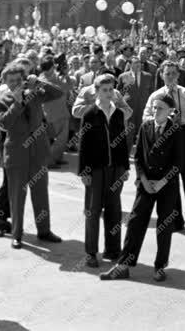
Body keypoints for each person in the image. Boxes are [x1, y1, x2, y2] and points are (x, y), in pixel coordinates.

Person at [100, 93, 182, 281]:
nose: (156, 111)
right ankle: (123, 265)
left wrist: (162, 182)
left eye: (160, 108)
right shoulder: (145, 127)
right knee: (136, 221)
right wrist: (143, 179)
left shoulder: (177, 131)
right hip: (146, 183)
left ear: (170, 111)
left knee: (164, 225)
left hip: (166, 185)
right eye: (154, 107)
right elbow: (138, 157)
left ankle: (160, 266)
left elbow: (179, 162)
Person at [0, 63, 63, 249]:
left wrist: (38, 82)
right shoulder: (1, 99)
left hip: (38, 152)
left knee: (41, 194)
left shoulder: (36, 93)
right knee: (16, 196)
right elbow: (5, 123)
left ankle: (44, 230)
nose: (15, 83)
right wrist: (17, 102)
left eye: (18, 79)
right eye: (11, 80)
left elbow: (57, 93)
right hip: (16, 154)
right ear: (5, 82)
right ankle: (17, 234)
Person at [144, 61, 185, 236]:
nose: (171, 76)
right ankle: (177, 221)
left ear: (179, 75)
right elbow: (146, 118)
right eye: (167, 73)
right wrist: (162, 119)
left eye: (174, 73)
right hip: (166, 144)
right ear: (161, 75)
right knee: (171, 185)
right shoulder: (155, 96)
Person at [78, 74, 131, 266]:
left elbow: (123, 141)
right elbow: (83, 145)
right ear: (96, 92)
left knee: (114, 210)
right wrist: (84, 171)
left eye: (111, 90)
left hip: (115, 169)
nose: (108, 94)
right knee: (92, 210)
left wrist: (125, 166)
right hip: (95, 170)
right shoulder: (90, 114)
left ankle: (113, 249)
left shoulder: (118, 114)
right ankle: (91, 252)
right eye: (104, 90)